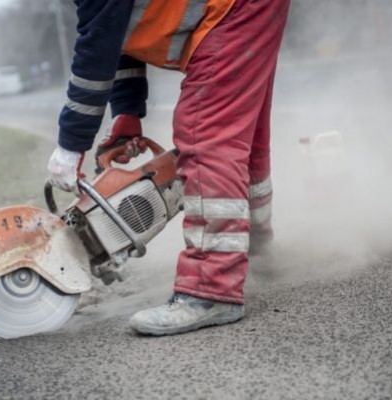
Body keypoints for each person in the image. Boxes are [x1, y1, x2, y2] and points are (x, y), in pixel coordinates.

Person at [48, 0, 290, 336]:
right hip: (246, 8)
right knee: (243, 136)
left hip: (233, 10)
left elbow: (99, 41)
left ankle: (211, 289)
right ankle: (259, 249)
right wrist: (126, 111)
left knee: (205, 132)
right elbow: (119, 24)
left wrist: (71, 144)